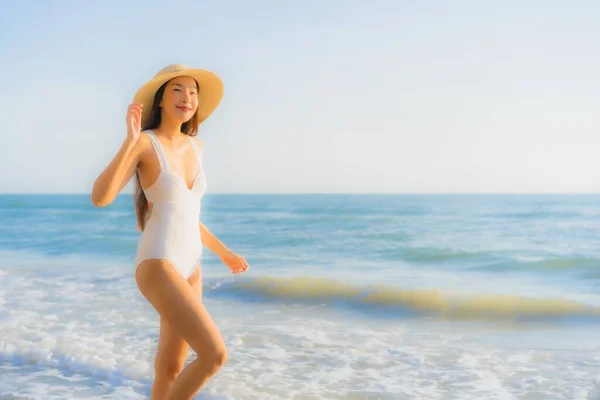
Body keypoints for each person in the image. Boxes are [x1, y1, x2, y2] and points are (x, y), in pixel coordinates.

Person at [91, 63, 249, 400]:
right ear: (160, 99)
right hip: (158, 262)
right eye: (177, 89)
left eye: (193, 91)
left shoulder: (197, 147)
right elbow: (100, 198)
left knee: (170, 368)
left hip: (192, 265)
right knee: (214, 355)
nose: (187, 97)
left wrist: (223, 252)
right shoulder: (145, 144)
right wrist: (129, 142)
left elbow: (188, 212)